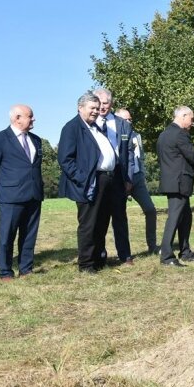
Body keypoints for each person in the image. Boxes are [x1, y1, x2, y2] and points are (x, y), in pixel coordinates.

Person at [0, 104, 44, 281]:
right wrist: (0, 193)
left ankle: (26, 269)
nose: (33, 119)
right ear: (17, 118)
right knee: (6, 237)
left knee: (29, 235)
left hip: (33, 195)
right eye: (30, 116)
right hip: (9, 198)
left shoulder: (36, 140)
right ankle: (5, 271)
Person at [58, 93, 116, 274]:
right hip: (90, 182)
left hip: (106, 180)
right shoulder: (72, 127)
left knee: (102, 222)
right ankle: (86, 264)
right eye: (92, 108)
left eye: (97, 108)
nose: (96, 111)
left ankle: (98, 259)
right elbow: (65, 159)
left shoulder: (94, 127)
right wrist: (83, 178)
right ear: (80, 108)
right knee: (89, 224)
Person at [157, 106, 194, 267]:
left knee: (185, 218)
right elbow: (193, 157)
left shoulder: (164, 134)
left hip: (172, 181)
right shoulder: (180, 134)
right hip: (179, 182)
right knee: (174, 219)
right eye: (191, 118)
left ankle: (185, 252)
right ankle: (167, 256)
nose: (193, 122)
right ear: (183, 116)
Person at [93, 88, 135, 265]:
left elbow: (131, 153)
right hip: (98, 177)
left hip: (118, 176)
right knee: (99, 219)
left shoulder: (123, 124)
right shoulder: (89, 123)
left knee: (120, 218)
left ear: (111, 104)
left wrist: (129, 178)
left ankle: (125, 255)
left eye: (106, 103)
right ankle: (100, 255)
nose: (102, 107)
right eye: (99, 103)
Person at [115, 108, 158, 254]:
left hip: (138, 179)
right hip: (120, 180)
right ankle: (124, 252)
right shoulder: (114, 135)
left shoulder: (137, 135)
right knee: (119, 217)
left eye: (130, 119)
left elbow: (140, 157)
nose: (129, 122)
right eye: (125, 119)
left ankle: (152, 246)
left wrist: (141, 174)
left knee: (150, 210)